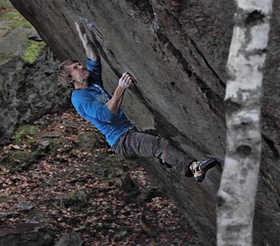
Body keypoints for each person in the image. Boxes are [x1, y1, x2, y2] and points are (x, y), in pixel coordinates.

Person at [57, 22, 218, 182]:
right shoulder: (79, 98)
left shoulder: (92, 83)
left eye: (79, 64)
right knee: (158, 145)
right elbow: (107, 115)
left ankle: (167, 160)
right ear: (70, 79)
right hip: (122, 141)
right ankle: (194, 168)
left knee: (158, 135)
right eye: (75, 68)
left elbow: (93, 60)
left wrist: (84, 39)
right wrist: (121, 88)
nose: (81, 67)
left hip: (129, 133)